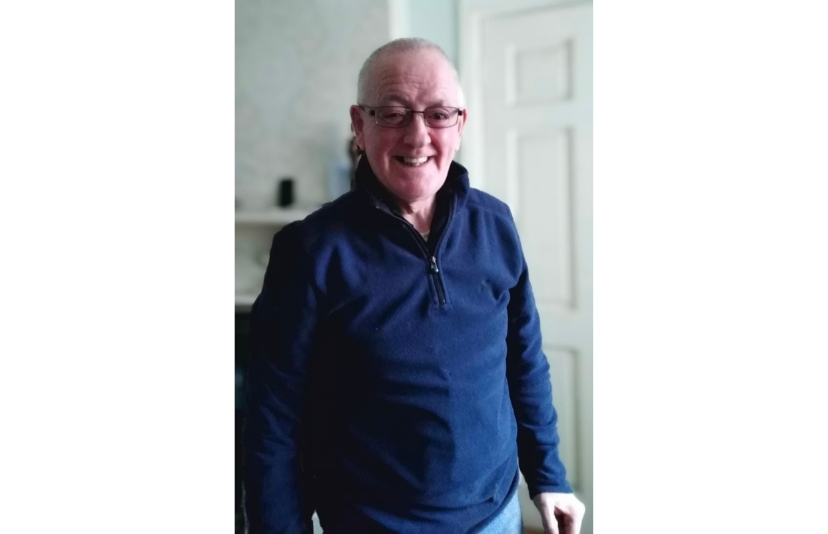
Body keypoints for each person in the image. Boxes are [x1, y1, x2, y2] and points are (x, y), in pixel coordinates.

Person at [243, 38, 586, 534]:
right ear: (359, 125)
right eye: (393, 113)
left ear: (460, 125)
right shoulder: (310, 251)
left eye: (439, 114)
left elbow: (524, 359)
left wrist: (548, 475)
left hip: (497, 515)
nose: (418, 135)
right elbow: (271, 420)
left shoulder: (495, 224)